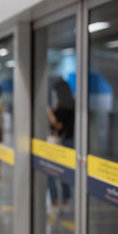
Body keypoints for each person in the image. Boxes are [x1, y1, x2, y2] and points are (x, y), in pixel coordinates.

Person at [46, 77, 74, 213]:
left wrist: (50, 113)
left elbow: (57, 126)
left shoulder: (63, 107)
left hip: (61, 143)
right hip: (69, 142)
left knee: (51, 172)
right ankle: (65, 201)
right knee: (65, 174)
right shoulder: (72, 105)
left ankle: (55, 202)